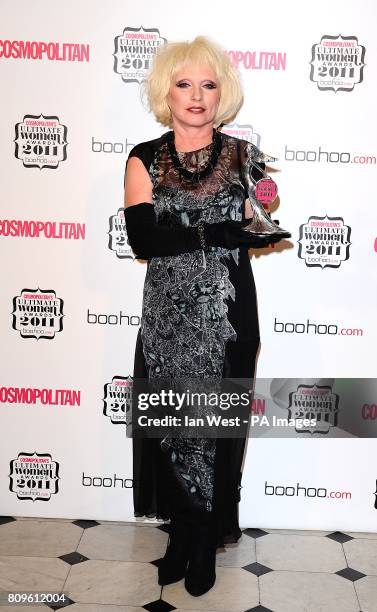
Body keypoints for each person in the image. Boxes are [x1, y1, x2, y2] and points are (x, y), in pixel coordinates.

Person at [124, 36, 290, 597]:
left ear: (224, 95)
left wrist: (256, 221)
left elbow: (257, 222)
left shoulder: (245, 158)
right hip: (169, 312)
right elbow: (142, 238)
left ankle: (205, 542)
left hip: (228, 311)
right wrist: (211, 232)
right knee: (172, 421)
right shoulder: (145, 157)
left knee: (217, 426)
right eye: (184, 83)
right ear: (165, 91)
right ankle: (179, 533)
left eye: (209, 84)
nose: (197, 95)